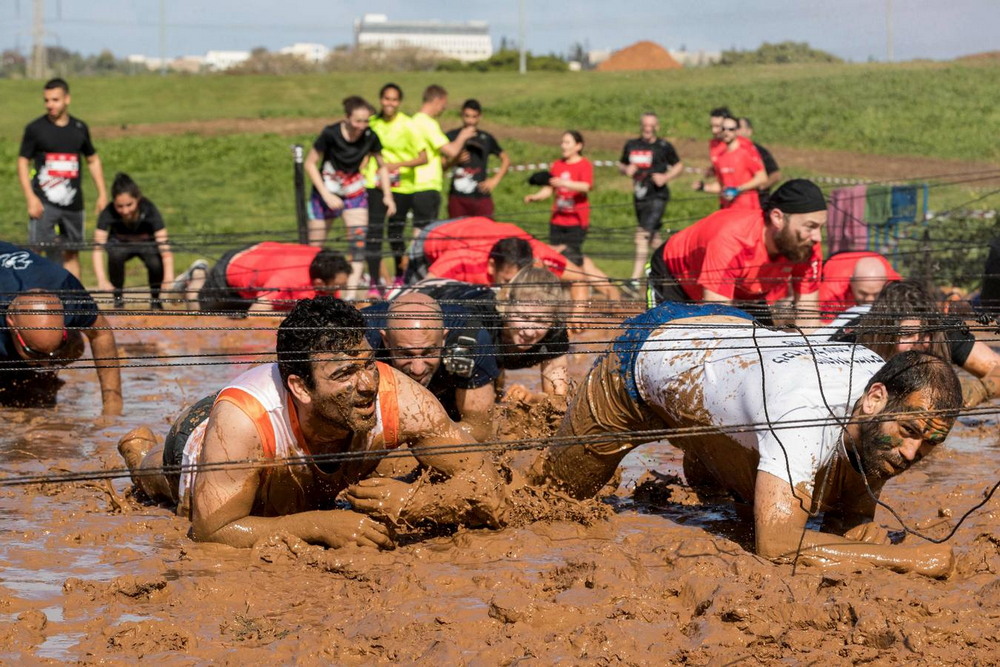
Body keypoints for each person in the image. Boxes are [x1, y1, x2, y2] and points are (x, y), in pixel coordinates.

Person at [525, 302, 961, 578]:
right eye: (909, 432)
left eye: (929, 445)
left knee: (769, 486)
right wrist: (908, 560)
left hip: (727, 340)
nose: (911, 454)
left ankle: (705, 459)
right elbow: (775, 546)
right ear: (875, 398)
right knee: (551, 499)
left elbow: (850, 517)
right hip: (645, 356)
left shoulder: (881, 392)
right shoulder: (803, 412)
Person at [116, 296, 503, 548]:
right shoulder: (242, 422)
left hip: (286, 433)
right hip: (204, 434)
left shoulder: (401, 396)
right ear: (300, 387)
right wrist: (317, 525)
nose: (368, 384)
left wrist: (420, 502)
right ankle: (137, 452)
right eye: (346, 373)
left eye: (368, 363)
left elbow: (483, 478)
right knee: (159, 479)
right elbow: (211, 531)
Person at [647, 178, 826, 329]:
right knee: (671, 345)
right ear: (777, 218)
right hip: (675, 276)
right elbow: (717, 322)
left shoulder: (806, 245)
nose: (817, 237)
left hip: (745, 291)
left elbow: (808, 318)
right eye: (810, 226)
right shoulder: (733, 240)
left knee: (764, 348)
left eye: (820, 227)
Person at [403, 216, 620, 322]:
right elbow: (419, 290)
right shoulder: (464, 257)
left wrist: (578, 315)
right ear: (491, 266)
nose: (510, 289)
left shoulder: (537, 254)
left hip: (479, 227)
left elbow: (578, 277)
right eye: (506, 281)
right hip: (432, 239)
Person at [823, 280, 1000, 409]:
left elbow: (996, 367)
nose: (919, 344)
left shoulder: (941, 332)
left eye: (925, 334)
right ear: (885, 334)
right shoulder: (853, 343)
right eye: (907, 335)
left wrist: (981, 389)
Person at [0, 241, 122, 416]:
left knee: (72, 349)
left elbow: (101, 333)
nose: (46, 364)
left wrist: (113, 409)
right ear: (11, 323)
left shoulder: (66, 288)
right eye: (36, 354)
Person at [412, 267, 572, 400]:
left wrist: (532, 398)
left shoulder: (555, 332)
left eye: (541, 321)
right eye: (524, 317)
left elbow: (558, 400)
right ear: (507, 304)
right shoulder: (477, 325)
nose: (530, 332)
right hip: (428, 293)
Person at [362, 291, 499, 441]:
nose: (418, 369)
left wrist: (423, 434)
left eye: (428, 353)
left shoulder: (469, 337)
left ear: (443, 338)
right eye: (406, 354)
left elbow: (479, 428)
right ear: (386, 341)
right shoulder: (361, 339)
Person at [304, 95, 395, 296]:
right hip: (326, 189)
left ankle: (350, 296)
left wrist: (387, 195)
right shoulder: (330, 133)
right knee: (314, 247)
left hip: (354, 191)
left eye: (366, 121)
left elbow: (382, 167)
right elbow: (310, 164)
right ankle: (313, 292)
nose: (361, 126)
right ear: (347, 118)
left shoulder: (371, 135)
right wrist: (326, 195)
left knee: (358, 245)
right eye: (357, 121)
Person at [17, 78, 108, 279]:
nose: (50, 105)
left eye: (55, 100)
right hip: (44, 203)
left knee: (71, 252)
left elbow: (92, 160)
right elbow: (22, 162)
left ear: (67, 99)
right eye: (46, 100)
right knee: (36, 251)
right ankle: (34, 301)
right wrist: (30, 198)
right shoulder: (35, 129)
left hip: (73, 204)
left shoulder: (79, 128)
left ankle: (72, 301)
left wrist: (102, 193)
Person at [363, 83, 428, 296]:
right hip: (376, 185)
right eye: (386, 98)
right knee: (374, 232)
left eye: (394, 99)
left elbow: (423, 157)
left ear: (399, 102)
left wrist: (398, 165)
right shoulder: (371, 123)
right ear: (381, 99)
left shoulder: (408, 125)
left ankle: (400, 278)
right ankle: (374, 281)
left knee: (395, 233)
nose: (389, 103)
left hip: (402, 186)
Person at [175, 242, 350, 313]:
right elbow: (255, 313)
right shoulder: (286, 280)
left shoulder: (324, 262)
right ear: (319, 283)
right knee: (197, 310)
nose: (341, 290)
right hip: (231, 270)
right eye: (338, 287)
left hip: (260, 256)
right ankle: (198, 272)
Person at [92, 173, 175, 310]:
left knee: (154, 262)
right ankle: (118, 299)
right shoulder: (108, 212)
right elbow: (97, 248)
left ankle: (155, 301)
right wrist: (101, 279)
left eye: (129, 205)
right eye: (120, 206)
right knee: (115, 255)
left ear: (138, 199)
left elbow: (164, 246)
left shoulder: (149, 209)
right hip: (120, 246)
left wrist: (168, 277)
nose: (125, 211)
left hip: (146, 246)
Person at [618, 112, 683, 286]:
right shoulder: (632, 144)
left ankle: (634, 280)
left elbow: (678, 165)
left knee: (641, 235)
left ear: (657, 127)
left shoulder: (664, 146)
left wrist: (665, 177)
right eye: (645, 125)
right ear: (641, 126)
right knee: (654, 239)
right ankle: (676, 268)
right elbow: (621, 164)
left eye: (651, 125)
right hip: (640, 196)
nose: (648, 128)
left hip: (658, 196)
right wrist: (626, 170)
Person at [408, 84, 476, 229]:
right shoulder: (427, 123)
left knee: (422, 230)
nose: (443, 109)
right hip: (426, 184)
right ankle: (412, 253)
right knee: (423, 233)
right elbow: (451, 150)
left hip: (417, 184)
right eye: (443, 105)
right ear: (437, 100)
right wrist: (463, 136)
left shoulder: (413, 121)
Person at [524, 130, 593, 266]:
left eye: (567, 142)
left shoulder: (584, 165)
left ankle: (579, 282)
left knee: (572, 256)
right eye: (562, 142)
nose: (563, 146)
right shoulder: (557, 165)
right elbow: (549, 189)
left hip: (576, 221)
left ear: (578, 146)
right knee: (555, 256)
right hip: (557, 220)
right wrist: (535, 197)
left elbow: (586, 186)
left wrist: (564, 183)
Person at [445, 99, 511, 219]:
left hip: (481, 196)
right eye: (467, 116)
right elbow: (441, 166)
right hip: (458, 197)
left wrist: (494, 180)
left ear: (480, 116)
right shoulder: (452, 136)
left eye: (474, 117)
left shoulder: (486, 138)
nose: (470, 121)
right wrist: (454, 160)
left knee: (484, 233)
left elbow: (505, 159)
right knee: (457, 234)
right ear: (461, 115)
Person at [693, 114, 766, 210]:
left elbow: (762, 178)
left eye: (731, 129)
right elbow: (723, 187)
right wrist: (704, 187)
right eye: (723, 129)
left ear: (737, 131)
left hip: (748, 209)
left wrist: (738, 189)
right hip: (728, 209)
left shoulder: (745, 152)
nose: (726, 132)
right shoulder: (720, 157)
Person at [818, 251, 900, 322]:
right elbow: (823, 327)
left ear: (885, 284)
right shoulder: (832, 291)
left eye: (875, 294)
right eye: (863, 293)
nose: (869, 300)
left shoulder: (894, 286)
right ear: (851, 282)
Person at [736, 117, 782, 206]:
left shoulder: (759, 151)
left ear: (749, 131)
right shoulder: (728, 152)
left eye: (739, 127)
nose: (736, 131)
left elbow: (775, 175)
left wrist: (761, 188)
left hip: (758, 202)